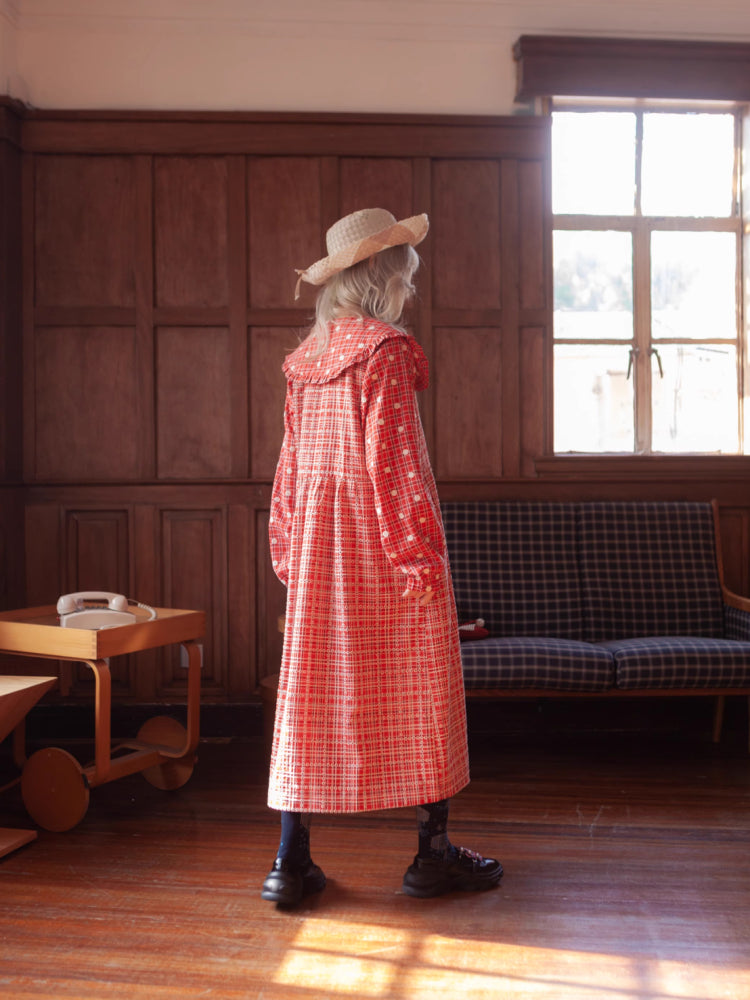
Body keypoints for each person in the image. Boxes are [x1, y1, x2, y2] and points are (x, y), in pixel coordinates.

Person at [264, 208, 503, 906]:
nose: (411, 286)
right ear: (382, 275)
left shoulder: (306, 359)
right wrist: (418, 558)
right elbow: (394, 465)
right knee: (423, 681)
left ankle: (290, 863)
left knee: (310, 688)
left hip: (319, 546)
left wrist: (289, 548)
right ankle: (433, 854)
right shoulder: (386, 350)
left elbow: (289, 467)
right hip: (377, 542)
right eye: (405, 273)